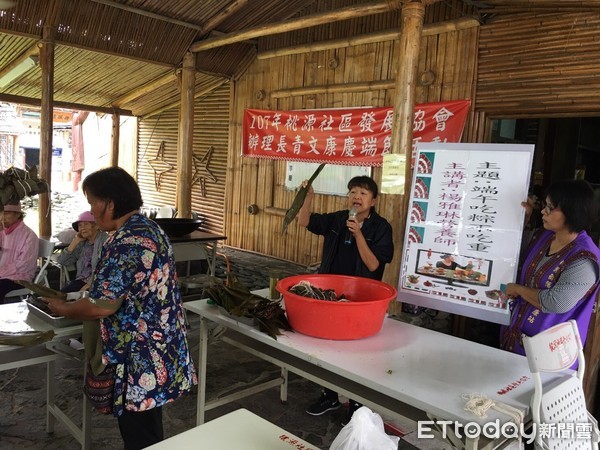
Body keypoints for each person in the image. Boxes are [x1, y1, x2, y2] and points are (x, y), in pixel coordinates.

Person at [43, 167, 197, 449]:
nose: (91, 210)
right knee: (148, 428)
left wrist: (63, 308)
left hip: (138, 357)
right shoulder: (148, 229)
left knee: (139, 435)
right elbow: (135, 284)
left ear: (110, 203)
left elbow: (102, 307)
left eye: (93, 203)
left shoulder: (126, 241)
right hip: (161, 346)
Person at [297, 175, 394, 425]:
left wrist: (359, 234)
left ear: (373, 200)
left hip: (361, 299)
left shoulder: (381, 227)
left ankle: (356, 406)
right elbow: (305, 221)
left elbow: (373, 264)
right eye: (352, 192)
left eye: (363, 193)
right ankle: (329, 396)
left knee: (358, 354)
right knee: (327, 348)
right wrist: (306, 199)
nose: (356, 197)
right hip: (331, 296)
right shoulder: (338, 218)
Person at [500, 179, 600, 357]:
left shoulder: (584, 259)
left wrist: (518, 290)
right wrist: (525, 219)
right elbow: (513, 251)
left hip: (551, 353)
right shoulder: (544, 236)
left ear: (571, 212)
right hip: (516, 339)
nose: (543, 211)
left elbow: (557, 302)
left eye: (550, 207)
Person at [55, 211, 108, 293]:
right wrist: (75, 241)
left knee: (60, 298)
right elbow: (62, 261)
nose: (82, 228)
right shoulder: (83, 243)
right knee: (56, 297)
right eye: (80, 225)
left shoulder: (105, 240)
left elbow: (106, 267)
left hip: (99, 283)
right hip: (81, 281)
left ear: (97, 226)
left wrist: (90, 284)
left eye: (86, 224)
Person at [0, 202, 38, 302]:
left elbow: (24, 264)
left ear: (18, 214)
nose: (3, 217)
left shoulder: (29, 235)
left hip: (19, 277)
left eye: (7, 213)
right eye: (1, 213)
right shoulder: (2, 231)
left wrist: (1, 271)